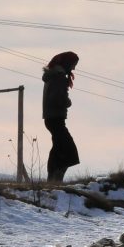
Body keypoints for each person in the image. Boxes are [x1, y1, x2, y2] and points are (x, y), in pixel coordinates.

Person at [42, 51, 81, 182]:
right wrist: (67, 102)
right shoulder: (59, 77)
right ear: (67, 63)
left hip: (51, 118)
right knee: (69, 151)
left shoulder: (53, 76)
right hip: (56, 118)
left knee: (58, 148)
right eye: (73, 64)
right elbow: (57, 98)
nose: (74, 68)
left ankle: (53, 180)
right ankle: (55, 180)